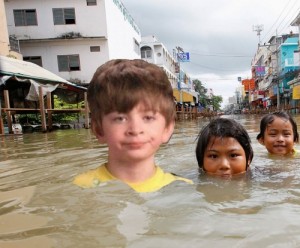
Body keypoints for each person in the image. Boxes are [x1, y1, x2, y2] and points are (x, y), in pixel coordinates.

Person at [73, 59, 192, 192]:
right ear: (99, 129)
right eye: (120, 118)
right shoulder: (80, 186)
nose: (135, 129)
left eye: (148, 118)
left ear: (167, 129)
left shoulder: (182, 189)